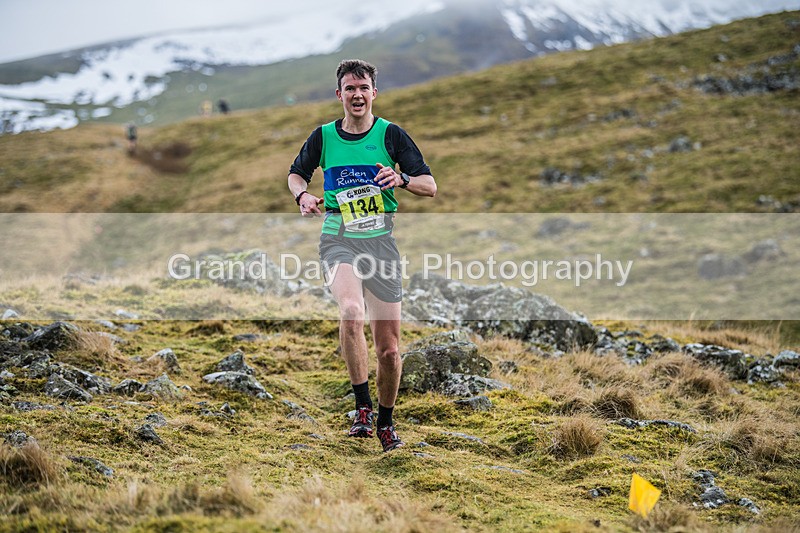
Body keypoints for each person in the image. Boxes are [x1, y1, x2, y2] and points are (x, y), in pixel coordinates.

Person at [287, 59, 437, 452]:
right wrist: (302, 195)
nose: (357, 94)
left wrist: (401, 178)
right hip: (338, 237)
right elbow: (296, 173)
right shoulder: (323, 137)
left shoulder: (392, 136)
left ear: (374, 93)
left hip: (381, 244)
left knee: (389, 350)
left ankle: (386, 423)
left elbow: (430, 185)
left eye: (363, 87)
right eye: (349, 88)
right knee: (351, 311)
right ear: (340, 95)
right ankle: (362, 409)